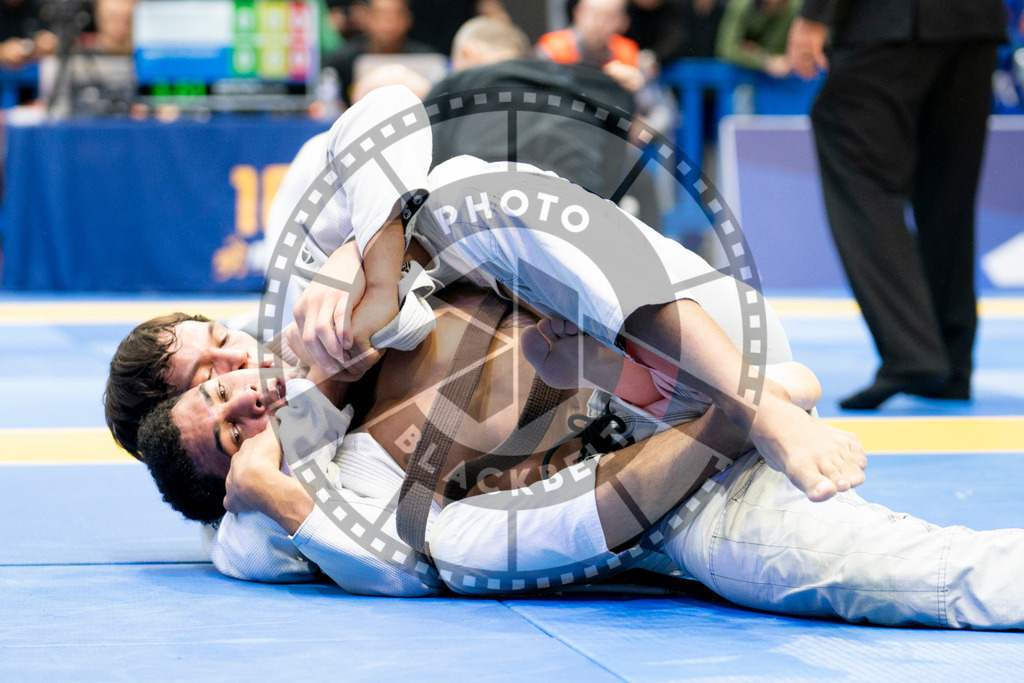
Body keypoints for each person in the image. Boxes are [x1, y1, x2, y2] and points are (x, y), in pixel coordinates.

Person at [135, 304, 1024, 629]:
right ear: (223, 487)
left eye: (221, 357)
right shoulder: (266, 518)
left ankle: (744, 399)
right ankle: (744, 406)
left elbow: (394, 134)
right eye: (216, 409)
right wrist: (262, 483)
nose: (240, 384)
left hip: (646, 378)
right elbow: (395, 566)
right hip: (661, 495)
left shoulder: (324, 313)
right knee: (916, 575)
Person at [786, 0, 1007, 409]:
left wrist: (816, 14)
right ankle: (951, 362)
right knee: (949, 191)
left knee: (851, 153)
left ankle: (913, 353)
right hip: (976, 23)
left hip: (891, 20)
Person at [321, 0, 435, 107]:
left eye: (396, 15)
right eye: (381, 16)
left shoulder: (427, 57)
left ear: (408, 18)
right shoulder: (342, 59)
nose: (389, 24)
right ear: (366, 17)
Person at [715, 0, 800, 77]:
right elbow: (726, 49)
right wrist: (765, 60)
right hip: (741, 75)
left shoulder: (797, 7)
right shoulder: (742, 5)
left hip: (786, 78)